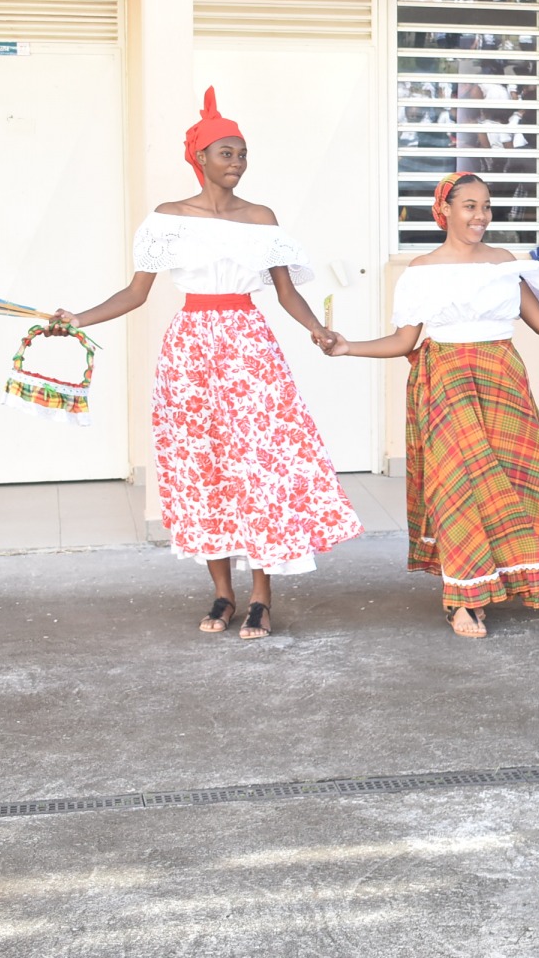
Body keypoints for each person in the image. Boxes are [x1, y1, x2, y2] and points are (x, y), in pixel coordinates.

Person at [50, 88, 361, 640]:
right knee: (204, 467)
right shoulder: (168, 219)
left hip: (248, 350)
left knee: (259, 466)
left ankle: (261, 597)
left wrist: (317, 328)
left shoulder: (261, 218)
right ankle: (223, 593)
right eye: (226, 153)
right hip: (190, 353)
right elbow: (135, 293)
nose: (236, 162)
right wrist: (79, 319)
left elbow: (286, 292)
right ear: (200, 158)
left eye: (242, 153)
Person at [320, 174, 539, 637]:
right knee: (457, 486)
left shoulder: (504, 263)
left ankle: (514, 577)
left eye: (486, 206)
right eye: (470, 206)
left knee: (526, 478)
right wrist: (347, 347)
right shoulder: (420, 271)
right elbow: (403, 342)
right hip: (445, 382)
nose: (481, 216)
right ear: (445, 210)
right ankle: (464, 600)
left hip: (502, 380)